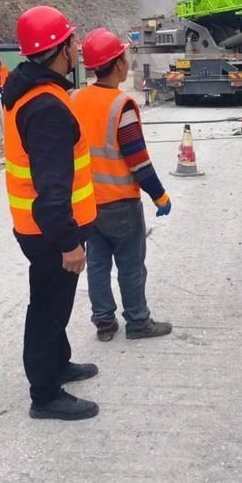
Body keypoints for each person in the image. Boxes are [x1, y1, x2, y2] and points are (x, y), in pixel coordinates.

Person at [2, 6, 99, 421]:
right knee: (47, 309)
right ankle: (44, 394)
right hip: (50, 232)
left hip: (38, 228)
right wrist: (68, 242)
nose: (77, 48)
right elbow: (52, 189)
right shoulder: (46, 108)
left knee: (55, 304)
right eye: (72, 41)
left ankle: (58, 364)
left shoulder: (31, 91)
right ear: (61, 49)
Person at [70, 28, 172, 342]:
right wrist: (159, 196)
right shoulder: (120, 106)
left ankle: (104, 322)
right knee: (130, 266)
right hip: (120, 204)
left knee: (97, 265)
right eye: (124, 57)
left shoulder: (75, 99)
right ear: (117, 64)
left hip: (87, 203)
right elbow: (138, 161)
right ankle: (138, 322)